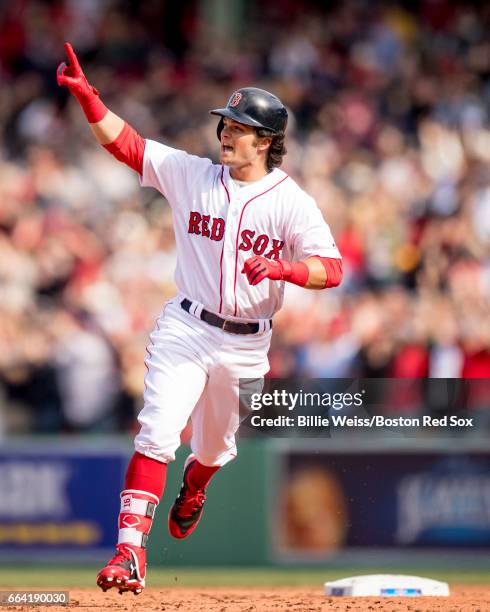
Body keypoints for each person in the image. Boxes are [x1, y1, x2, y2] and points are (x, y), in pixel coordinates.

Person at [57, 42, 342, 595]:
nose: (225, 134)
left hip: (245, 345)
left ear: (265, 141)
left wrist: (284, 269)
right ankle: (129, 553)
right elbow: (131, 146)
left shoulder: (291, 201)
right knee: (159, 428)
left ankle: (196, 485)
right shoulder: (193, 175)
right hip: (186, 326)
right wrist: (91, 101)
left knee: (213, 450)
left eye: (237, 126)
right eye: (225, 124)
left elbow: (331, 269)